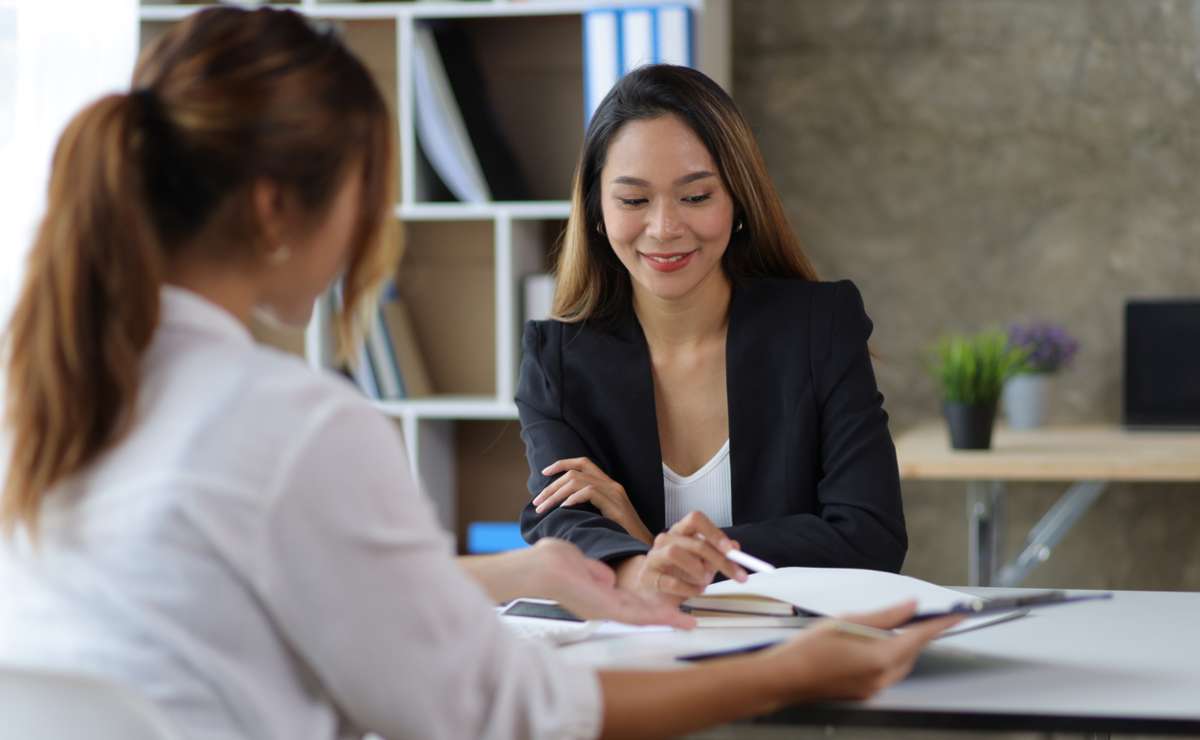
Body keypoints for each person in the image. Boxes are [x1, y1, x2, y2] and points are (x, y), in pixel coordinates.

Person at [0, 8, 957, 740]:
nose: (370, 236)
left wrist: (523, 567)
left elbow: (288, 586)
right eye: (368, 194)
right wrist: (794, 672)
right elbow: (502, 708)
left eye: (694, 196)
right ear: (274, 208)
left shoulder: (51, 392)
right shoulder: (292, 426)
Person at [518, 64, 908, 602]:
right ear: (597, 212)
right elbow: (559, 528)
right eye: (634, 201)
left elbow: (871, 537)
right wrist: (644, 568)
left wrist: (659, 552)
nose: (664, 227)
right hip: (642, 659)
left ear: (738, 201)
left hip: (799, 657)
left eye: (695, 197)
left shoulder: (820, 327)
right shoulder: (558, 359)